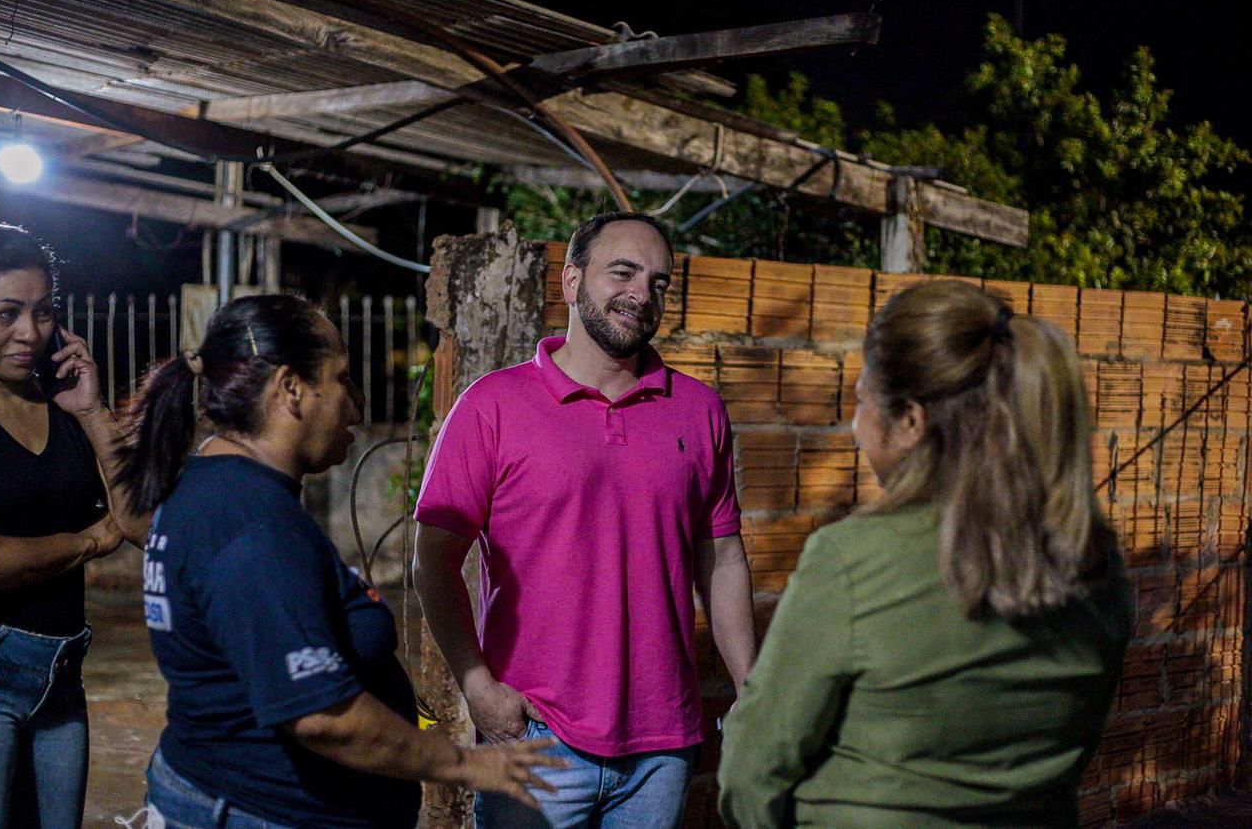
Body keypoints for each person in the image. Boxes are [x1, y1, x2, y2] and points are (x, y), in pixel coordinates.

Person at [115, 294, 563, 829]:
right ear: (291, 389)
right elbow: (324, 716)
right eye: (343, 377)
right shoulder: (252, 526)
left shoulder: (213, 484)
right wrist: (463, 763)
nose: (357, 403)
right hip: (264, 811)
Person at [717, 280, 1134, 828]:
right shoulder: (1094, 558)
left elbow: (752, 773)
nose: (856, 426)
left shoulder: (852, 559)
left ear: (910, 420)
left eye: (862, 402)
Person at [414, 211, 757, 828]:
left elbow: (723, 558)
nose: (640, 294)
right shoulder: (493, 405)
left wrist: (750, 683)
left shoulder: (700, 411)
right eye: (621, 272)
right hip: (536, 738)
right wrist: (478, 687)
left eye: (658, 282)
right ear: (571, 282)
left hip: (663, 745)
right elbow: (433, 561)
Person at [0, 222, 135, 829]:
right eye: (6, 313)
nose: (29, 333)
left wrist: (92, 410)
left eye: (43, 314)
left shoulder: (62, 403)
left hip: (63, 673)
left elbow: (138, 518)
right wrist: (92, 542)